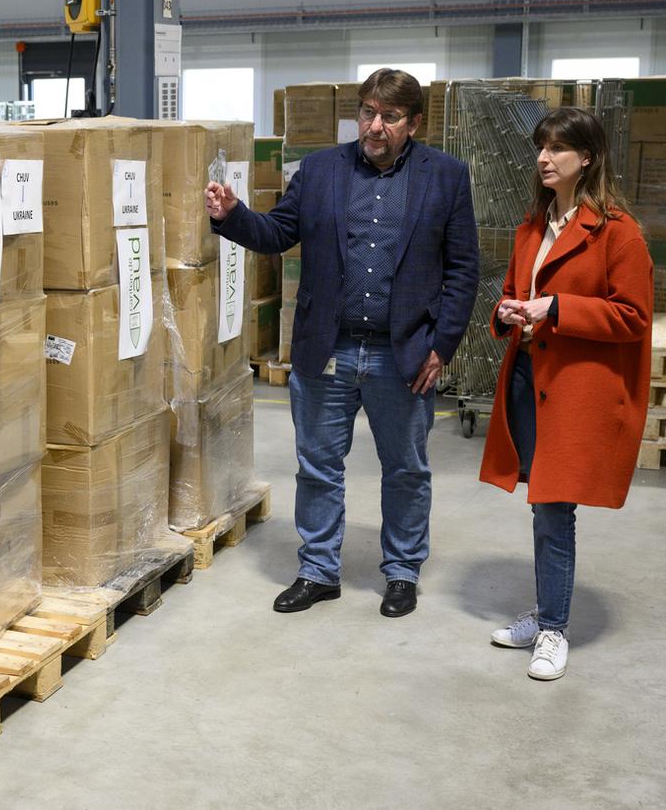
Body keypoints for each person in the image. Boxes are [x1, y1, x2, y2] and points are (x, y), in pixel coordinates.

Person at [204, 68, 478, 617]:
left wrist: (441, 346)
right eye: (368, 112)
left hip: (401, 354)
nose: (376, 126)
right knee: (319, 466)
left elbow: (463, 270)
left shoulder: (445, 176)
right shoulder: (322, 169)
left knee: (405, 469)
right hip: (326, 347)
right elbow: (279, 232)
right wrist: (233, 216)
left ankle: (401, 572)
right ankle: (318, 569)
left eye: (391, 116)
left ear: (414, 122)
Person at [479, 107, 654, 681]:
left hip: (576, 390)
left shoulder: (618, 231)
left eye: (558, 149)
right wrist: (507, 312)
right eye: (541, 147)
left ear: (588, 158)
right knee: (542, 504)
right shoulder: (533, 227)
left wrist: (554, 308)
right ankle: (547, 609)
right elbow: (512, 294)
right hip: (530, 380)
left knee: (554, 509)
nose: (544, 158)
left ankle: (553, 627)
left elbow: (632, 317)